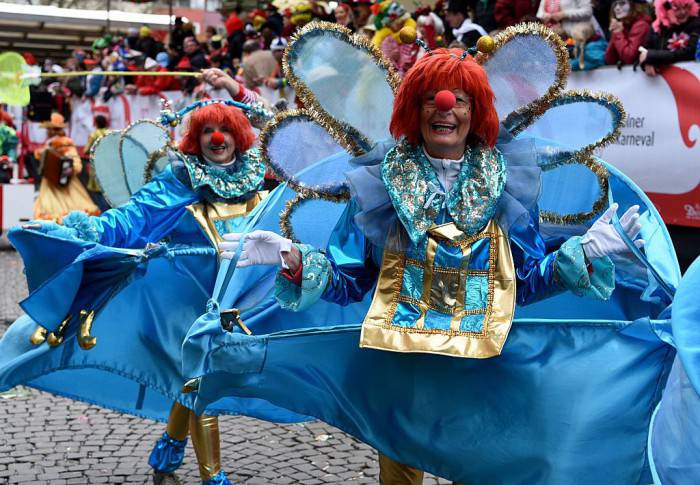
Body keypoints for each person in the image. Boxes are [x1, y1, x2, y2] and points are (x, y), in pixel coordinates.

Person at [220, 47, 643, 484]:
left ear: (475, 112)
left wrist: (585, 253)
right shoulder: (381, 182)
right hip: (404, 372)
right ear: (414, 109)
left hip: (480, 368)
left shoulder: (505, 182)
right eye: (432, 98)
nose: (446, 107)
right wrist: (292, 256)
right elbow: (349, 281)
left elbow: (522, 283)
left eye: (461, 99)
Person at [0, 72, 271, 485]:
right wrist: (84, 230)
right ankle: (213, 476)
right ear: (194, 140)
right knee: (200, 376)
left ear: (239, 134)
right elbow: (133, 217)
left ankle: (171, 442)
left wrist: (235, 90)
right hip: (187, 298)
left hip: (246, 296)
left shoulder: (257, 173)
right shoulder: (181, 179)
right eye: (207, 131)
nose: (217, 139)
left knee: (196, 376)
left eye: (225, 129)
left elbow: (282, 125)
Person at [33, 113, 99, 221]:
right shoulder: (49, 144)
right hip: (50, 183)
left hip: (63, 183)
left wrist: (69, 168)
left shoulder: (65, 144)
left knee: (57, 212)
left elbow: (77, 165)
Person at [639, 0, 700, 76]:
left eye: (685, 6)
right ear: (664, 10)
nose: (683, 12)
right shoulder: (657, 27)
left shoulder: (696, 24)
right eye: (676, 9)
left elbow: (690, 52)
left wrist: (652, 56)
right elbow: (644, 51)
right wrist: (646, 63)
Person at [604, 0, 652, 65]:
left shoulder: (641, 25)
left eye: (622, 3)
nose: (617, 8)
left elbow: (629, 58)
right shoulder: (623, 25)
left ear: (634, 6)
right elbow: (609, 60)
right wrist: (615, 32)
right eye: (615, 4)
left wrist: (618, 33)